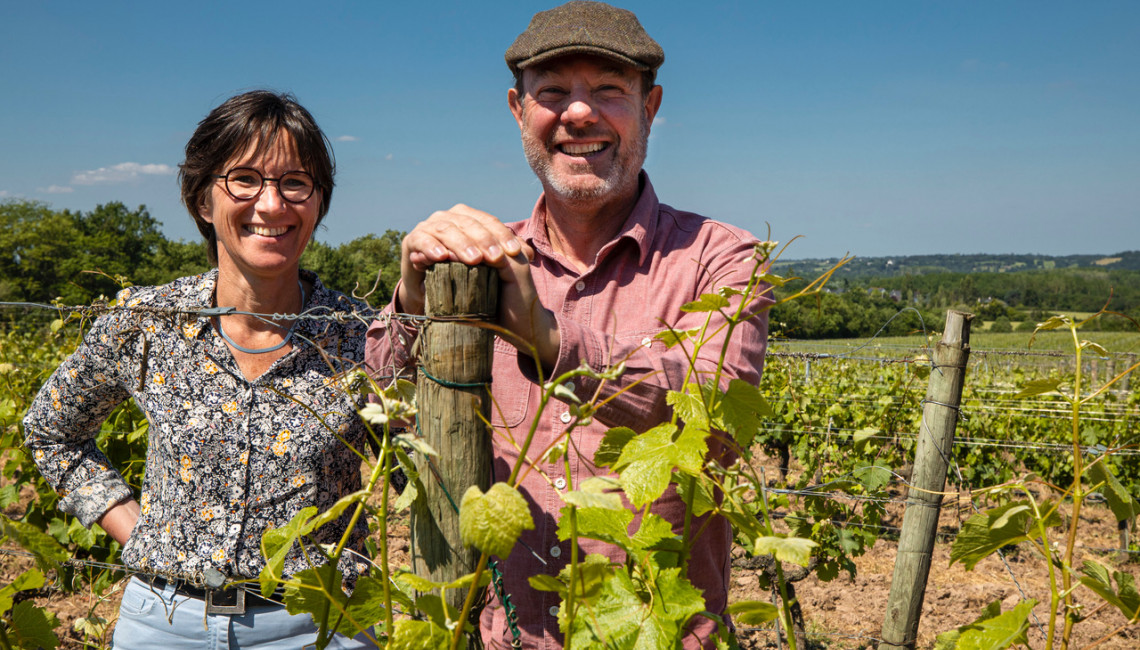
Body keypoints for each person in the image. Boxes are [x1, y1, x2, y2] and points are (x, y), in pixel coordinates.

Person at [365, 2, 771, 648]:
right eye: (552, 93)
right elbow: (379, 407)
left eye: (608, 91)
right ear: (518, 112)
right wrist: (415, 297)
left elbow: (716, 423)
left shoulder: (723, 258)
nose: (578, 113)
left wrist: (548, 340)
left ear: (651, 107)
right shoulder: (482, 262)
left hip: (662, 638)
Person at [24, 90, 375, 648]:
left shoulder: (363, 336)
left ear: (319, 203)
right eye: (244, 178)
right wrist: (138, 532)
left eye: (295, 182)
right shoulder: (148, 320)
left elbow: (420, 478)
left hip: (320, 626)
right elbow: (50, 431)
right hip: (162, 624)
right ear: (202, 200)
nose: (271, 204)